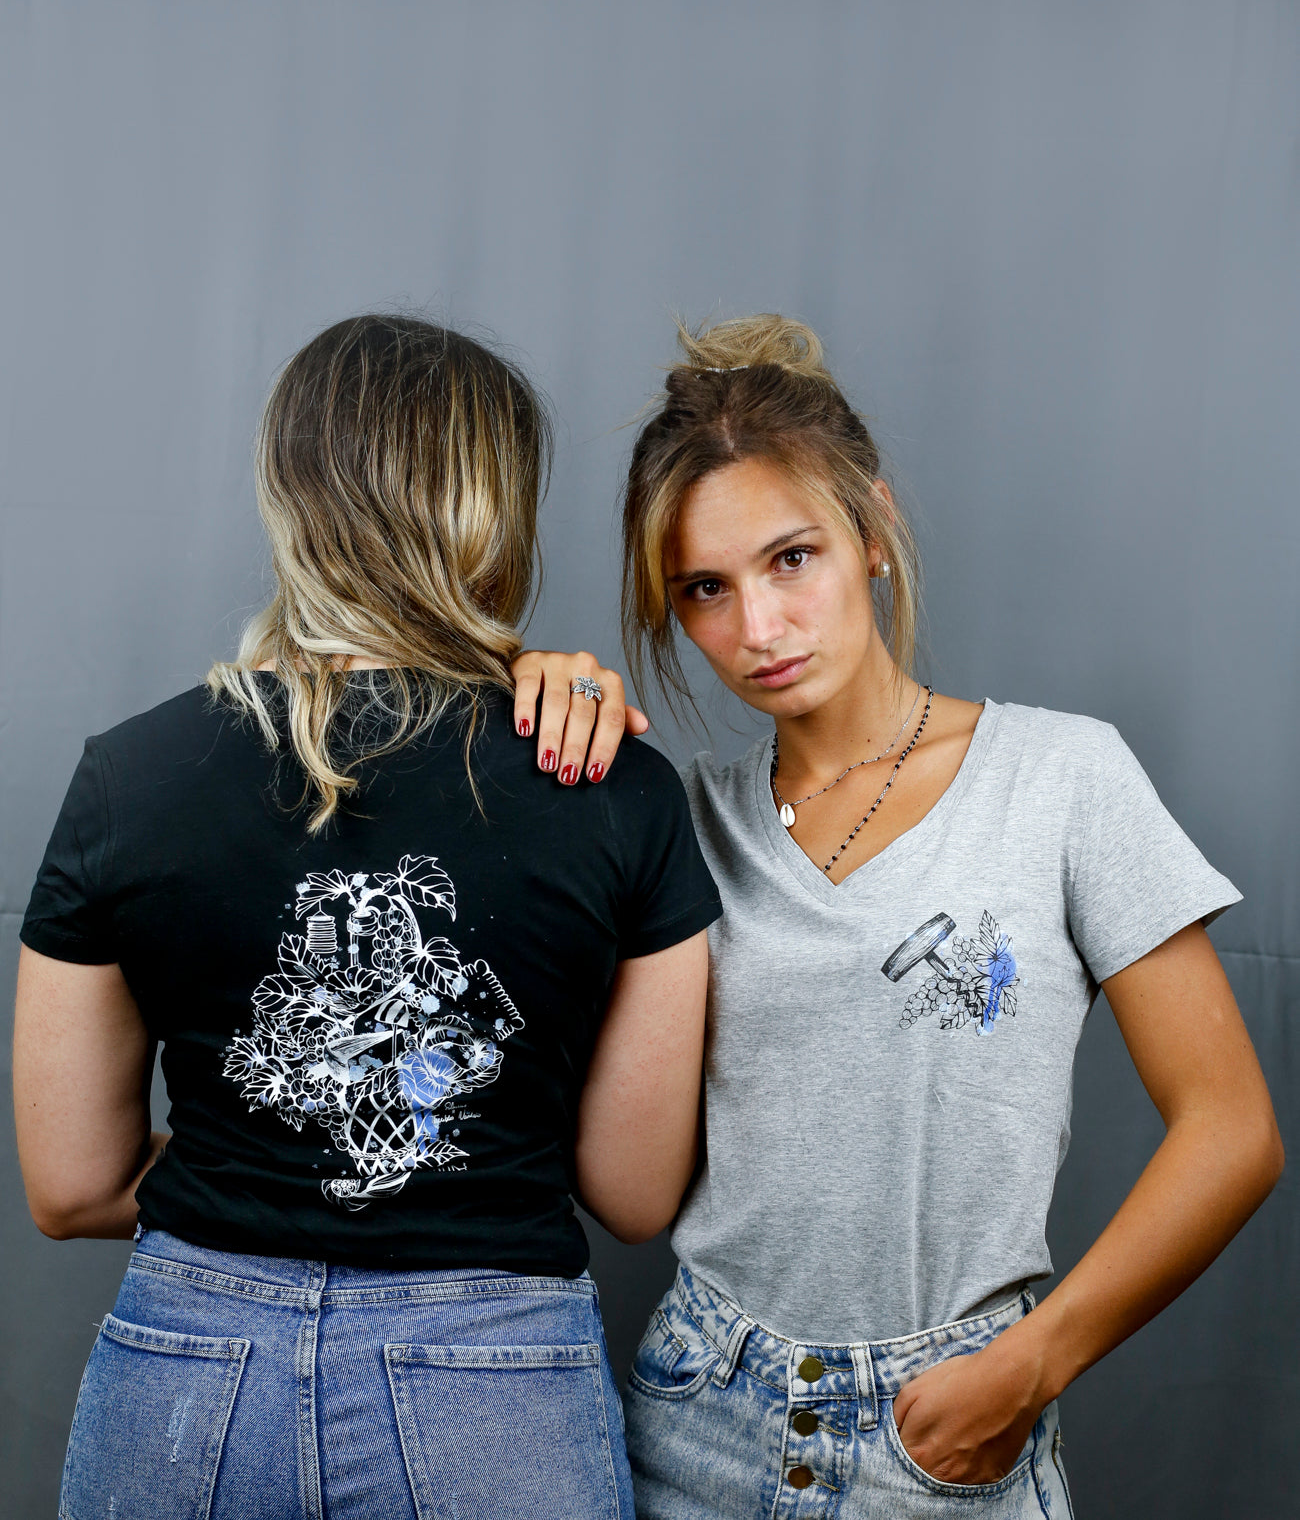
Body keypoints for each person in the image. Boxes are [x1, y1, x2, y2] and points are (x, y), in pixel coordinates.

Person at [511, 314, 1284, 1518]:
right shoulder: (679, 824)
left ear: (870, 532)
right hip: (700, 1412)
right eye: (703, 589)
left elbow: (1232, 1130)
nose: (756, 628)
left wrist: (1035, 1360)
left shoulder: (1060, 776)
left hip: (949, 1428)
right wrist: (521, 689)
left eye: (790, 559)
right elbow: (619, 1166)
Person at [14, 314, 723, 1520]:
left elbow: (71, 1185)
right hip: (492, 1378)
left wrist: (270, 1150)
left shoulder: (127, 776)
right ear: (497, 508)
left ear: (289, 492)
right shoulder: (611, 782)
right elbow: (635, 1190)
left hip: (189, 1377)